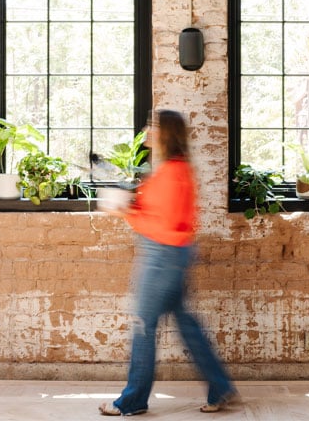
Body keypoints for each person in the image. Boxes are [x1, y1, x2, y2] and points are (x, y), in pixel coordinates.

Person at [99, 109, 237, 416]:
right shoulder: (174, 170)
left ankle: (132, 400)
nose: (147, 130)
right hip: (172, 257)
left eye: (153, 125)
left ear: (165, 133)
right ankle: (220, 387)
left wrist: (123, 211)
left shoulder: (172, 174)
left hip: (162, 257)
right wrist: (130, 201)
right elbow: (155, 208)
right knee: (187, 324)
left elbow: (165, 224)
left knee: (142, 326)